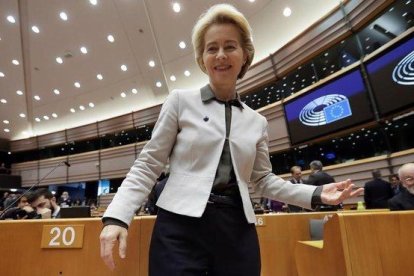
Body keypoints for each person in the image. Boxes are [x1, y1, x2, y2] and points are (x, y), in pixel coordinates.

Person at [99, 4, 363, 275]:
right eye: (212, 48)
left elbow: (263, 180)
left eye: (230, 46)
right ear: (202, 58)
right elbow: (148, 164)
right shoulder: (180, 101)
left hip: (237, 229)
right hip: (179, 229)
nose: (221, 55)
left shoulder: (257, 122)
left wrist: (316, 193)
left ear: (245, 55)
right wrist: (118, 216)